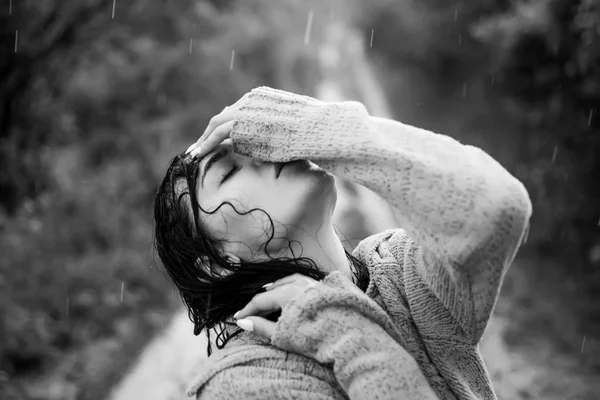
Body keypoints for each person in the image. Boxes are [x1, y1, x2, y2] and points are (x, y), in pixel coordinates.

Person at [153, 86, 532, 399]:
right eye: (230, 169)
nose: (261, 152)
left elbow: (497, 208)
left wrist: (314, 126)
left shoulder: (401, 275)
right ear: (218, 262)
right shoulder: (242, 385)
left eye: (253, 144)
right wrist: (352, 340)